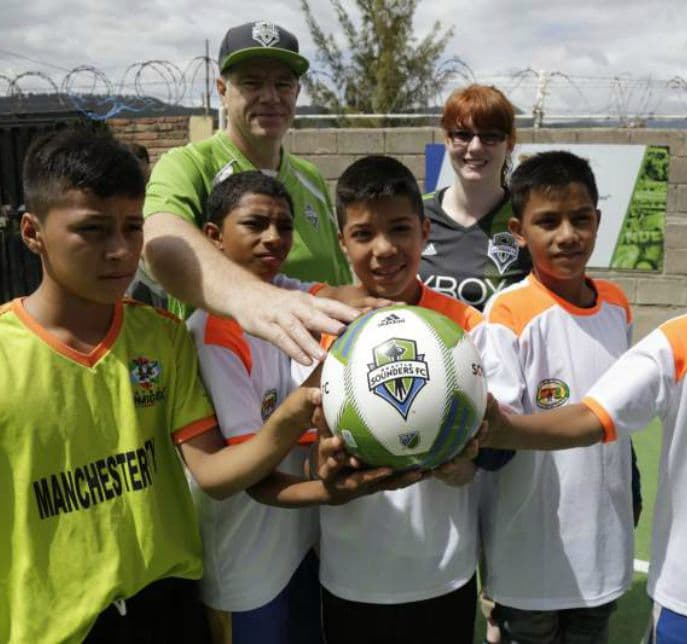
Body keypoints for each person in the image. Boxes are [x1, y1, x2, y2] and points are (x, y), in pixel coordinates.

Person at [0, 128, 328, 644]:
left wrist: (294, 418)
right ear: (32, 231)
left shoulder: (163, 337)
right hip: (52, 623)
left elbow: (213, 470)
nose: (119, 250)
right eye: (92, 230)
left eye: (133, 229)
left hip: (169, 603)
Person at [483, 165, 687, 642]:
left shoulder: (615, 305)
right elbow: (594, 414)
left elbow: (607, 418)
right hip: (686, 601)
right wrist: (500, 432)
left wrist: (626, 483)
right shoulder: (681, 341)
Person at [187, 170, 420, 644]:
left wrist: (395, 287)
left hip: (302, 553)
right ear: (214, 237)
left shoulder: (290, 294)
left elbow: (339, 297)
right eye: (255, 224)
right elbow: (251, 476)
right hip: (245, 570)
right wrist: (338, 492)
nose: (274, 237)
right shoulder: (213, 331)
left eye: (284, 226)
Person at [315, 155, 487, 644]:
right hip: (352, 576)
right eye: (364, 234)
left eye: (400, 229)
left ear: (425, 231)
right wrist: (324, 465)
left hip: (444, 571)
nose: (385, 249)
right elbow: (311, 454)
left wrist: (463, 465)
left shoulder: (466, 327)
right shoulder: (321, 330)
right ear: (341, 239)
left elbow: (488, 454)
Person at [479, 151, 635, 644]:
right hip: (530, 553)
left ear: (598, 221)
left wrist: (630, 488)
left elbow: (619, 417)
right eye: (548, 221)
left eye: (580, 218)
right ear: (519, 231)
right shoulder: (507, 311)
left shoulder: (616, 302)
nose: (568, 235)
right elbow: (497, 441)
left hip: (604, 549)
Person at [141, 21, 355, 364]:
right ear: (222, 90)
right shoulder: (189, 165)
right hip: (222, 388)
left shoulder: (310, 178)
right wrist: (256, 300)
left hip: (315, 387)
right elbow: (161, 243)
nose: (270, 97)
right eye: (252, 83)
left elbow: (337, 281)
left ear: (297, 93)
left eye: (283, 84)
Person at [418, 84, 531, 311]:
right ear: (447, 140)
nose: (475, 147)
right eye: (462, 135)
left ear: (510, 143)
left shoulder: (527, 219)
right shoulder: (415, 214)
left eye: (490, 137)